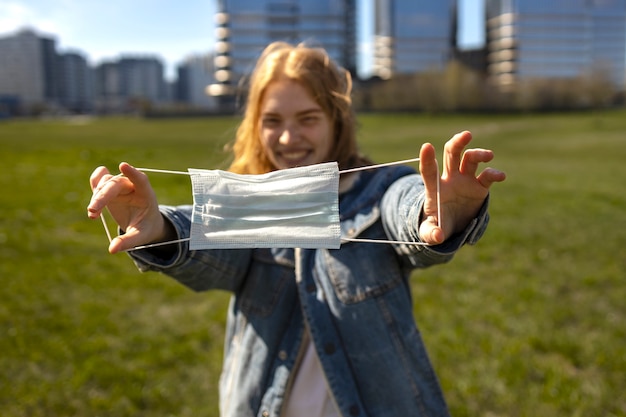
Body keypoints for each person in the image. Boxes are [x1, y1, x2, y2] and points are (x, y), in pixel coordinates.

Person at [88, 42, 506, 417]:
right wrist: (159, 227)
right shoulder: (251, 201)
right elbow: (208, 244)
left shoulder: (377, 189)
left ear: (336, 121)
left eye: (307, 118)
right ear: (255, 125)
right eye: (272, 120)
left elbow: (407, 205)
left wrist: (435, 214)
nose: (289, 137)